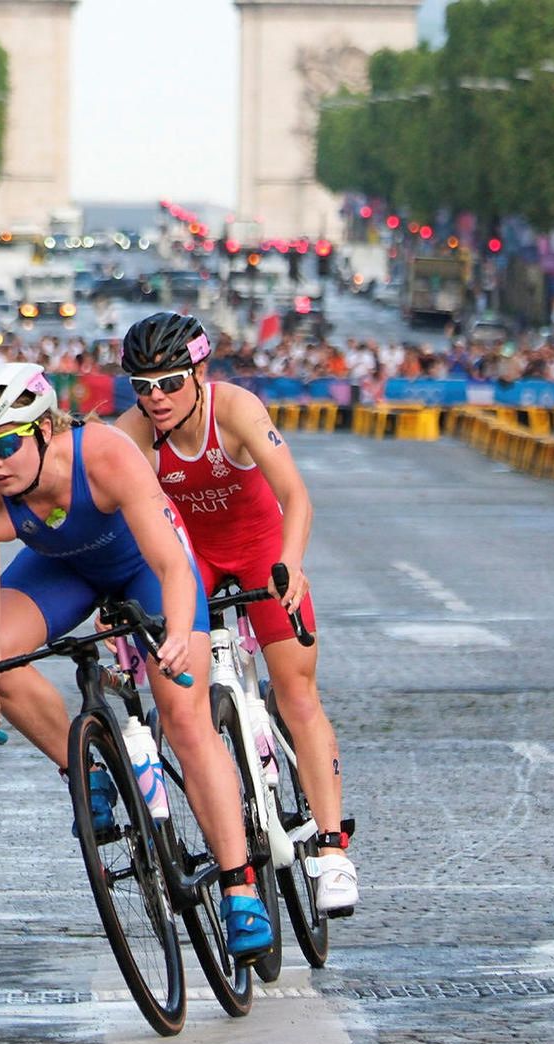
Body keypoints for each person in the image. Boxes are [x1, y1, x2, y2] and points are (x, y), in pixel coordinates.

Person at [0, 361, 274, 958]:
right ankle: (83, 770)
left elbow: (174, 563)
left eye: (3, 443)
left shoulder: (104, 453)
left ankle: (238, 885)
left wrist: (178, 632)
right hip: (63, 571)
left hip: (145, 565)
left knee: (183, 716)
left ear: (44, 427)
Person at [112, 313, 359, 913]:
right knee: (180, 704)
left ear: (200, 372)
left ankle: (331, 852)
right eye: (142, 387)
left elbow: (296, 496)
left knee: (297, 691)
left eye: (170, 383)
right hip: (191, 559)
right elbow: (121, 521)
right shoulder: (134, 434)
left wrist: (291, 565)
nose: (156, 399)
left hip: (259, 550)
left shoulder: (238, 410)